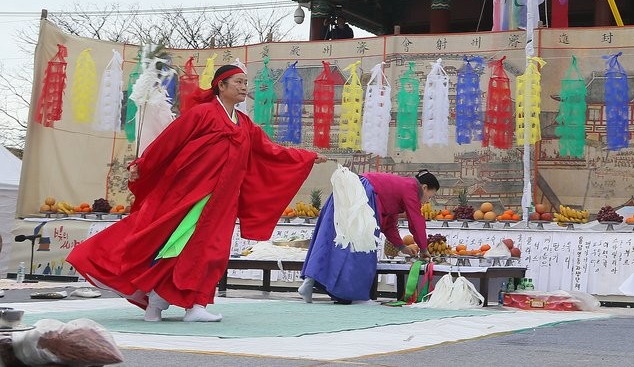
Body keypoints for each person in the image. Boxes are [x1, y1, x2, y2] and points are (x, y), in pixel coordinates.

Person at [68, 64, 327, 322]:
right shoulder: (202, 114)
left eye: (245, 83)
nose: (244, 87)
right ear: (220, 86)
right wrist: (142, 165)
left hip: (223, 201)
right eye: (238, 82)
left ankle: (191, 304)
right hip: (192, 195)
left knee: (211, 252)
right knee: (173, 244)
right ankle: (157, 302)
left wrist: (306, 157)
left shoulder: (245, 124)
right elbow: (168, 142)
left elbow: (271, 151)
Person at [298, 169, 439, 304]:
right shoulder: (411, 188)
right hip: (364, 195)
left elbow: (389, 224)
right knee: (361, 248)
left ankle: (309, 282)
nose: (427, 201)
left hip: (350, 190)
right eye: (430, 197)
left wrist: (401, 246)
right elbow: (416, 220)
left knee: (334, 241)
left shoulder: (399, 188)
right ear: (424, 188)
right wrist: (424, 248)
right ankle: (344, 294)